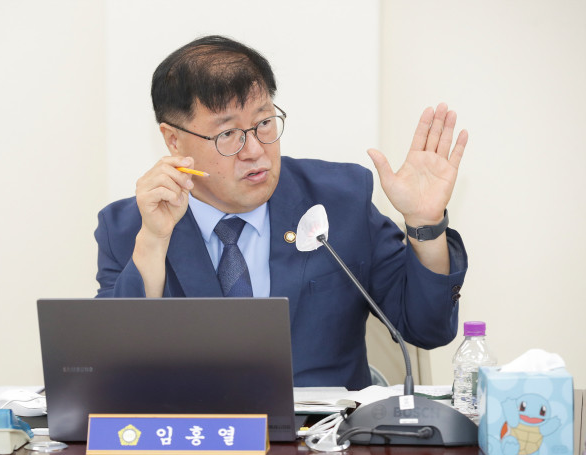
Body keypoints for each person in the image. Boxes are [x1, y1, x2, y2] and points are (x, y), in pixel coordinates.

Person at [94, 35, 468, 389]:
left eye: (264, 123)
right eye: (228, 134)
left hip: (323, 432)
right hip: (194, 431)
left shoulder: (339, 200)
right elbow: (113, 368)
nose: (255, 150)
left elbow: (427, 328)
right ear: (174, 140)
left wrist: (426, 225)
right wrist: (154, 242)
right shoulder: (130, 228)